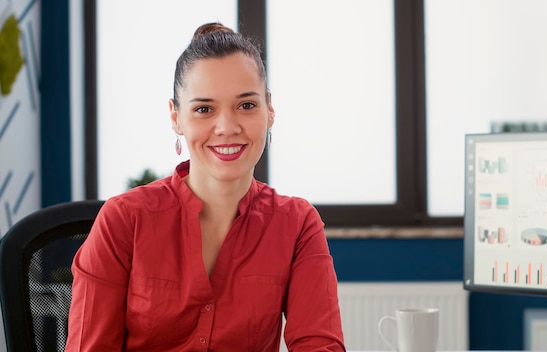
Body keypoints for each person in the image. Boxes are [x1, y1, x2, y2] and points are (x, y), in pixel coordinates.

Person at [65, 22, 346, 351]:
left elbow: (319, 345)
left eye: (246, 105)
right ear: (176, 117)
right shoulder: (124, 220)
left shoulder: (297, 224)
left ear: (269, 109)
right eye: (203, 109)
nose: (226, 127)